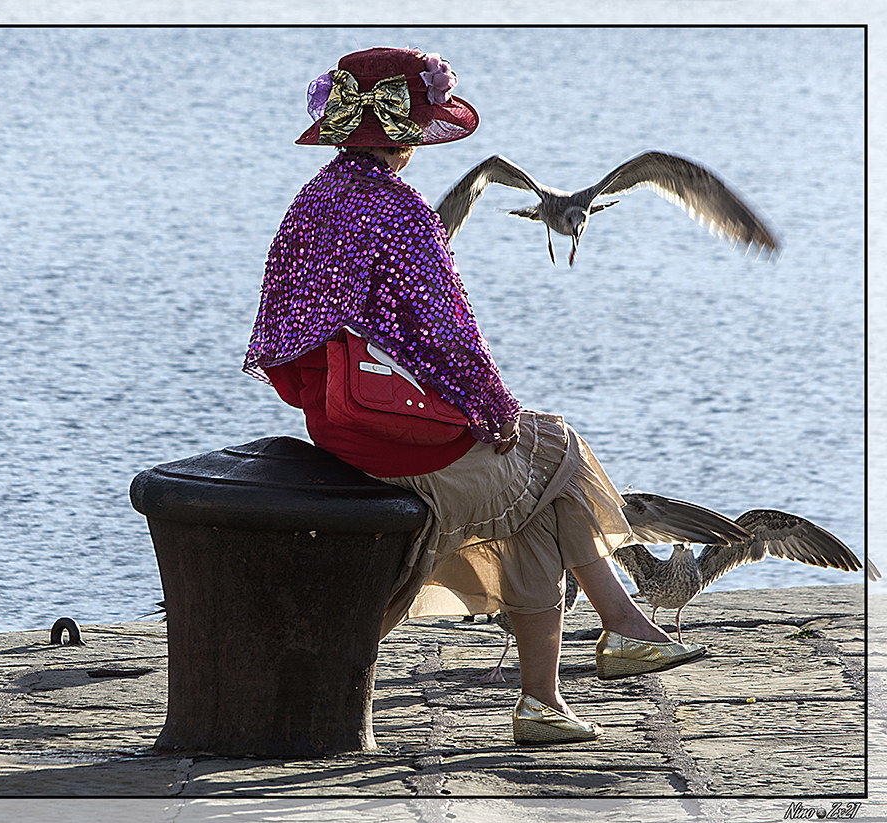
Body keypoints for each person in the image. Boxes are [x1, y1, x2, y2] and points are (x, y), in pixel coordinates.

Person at [243, 47, 705, 745]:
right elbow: (450, 336)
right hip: (399, 444)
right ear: (405, 136)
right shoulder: (401, 214)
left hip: (339, 423)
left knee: (541, 511)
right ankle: (618, 630)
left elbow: (279, 333)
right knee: (559, 448)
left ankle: (548, 701)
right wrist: (497, 412)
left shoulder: (311, 203)